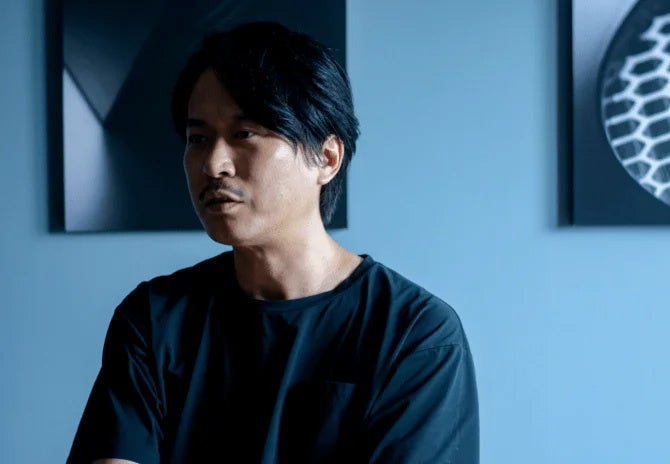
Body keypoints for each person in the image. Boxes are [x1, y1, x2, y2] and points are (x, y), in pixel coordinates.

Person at [66, 21, 479, 464]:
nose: (213, 164)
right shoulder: (155, 320)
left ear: (326, 157)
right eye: (198, 139)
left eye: (244, 134)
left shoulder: (415, 334)